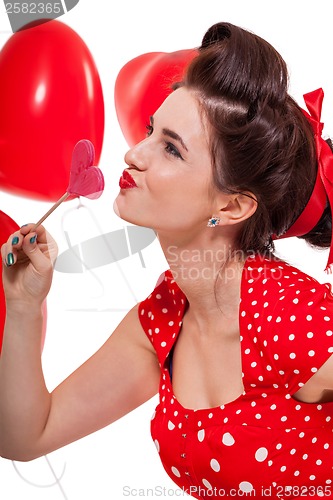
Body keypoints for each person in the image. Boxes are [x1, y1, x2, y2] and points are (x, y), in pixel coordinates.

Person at [1, 21, 333, 499]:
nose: (134, 153)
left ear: (232, 206)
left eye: (171, 149)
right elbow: (25, 435)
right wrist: (25, 308)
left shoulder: (290, 315)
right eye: (152, 130)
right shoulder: (162, 321)